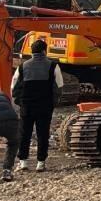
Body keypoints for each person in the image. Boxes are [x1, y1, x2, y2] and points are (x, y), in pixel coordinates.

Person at [11, 38, 64, 172]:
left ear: (32, 51)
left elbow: (14, 87)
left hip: (27, 105)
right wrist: (53, 102)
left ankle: (23, 162)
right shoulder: (53, 65)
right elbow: (59, 86)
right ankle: (41, 163)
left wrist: (19, 101)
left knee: (24, 133)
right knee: (43, 133)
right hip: (45, 106)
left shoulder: (22, 66)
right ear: (44, 51)